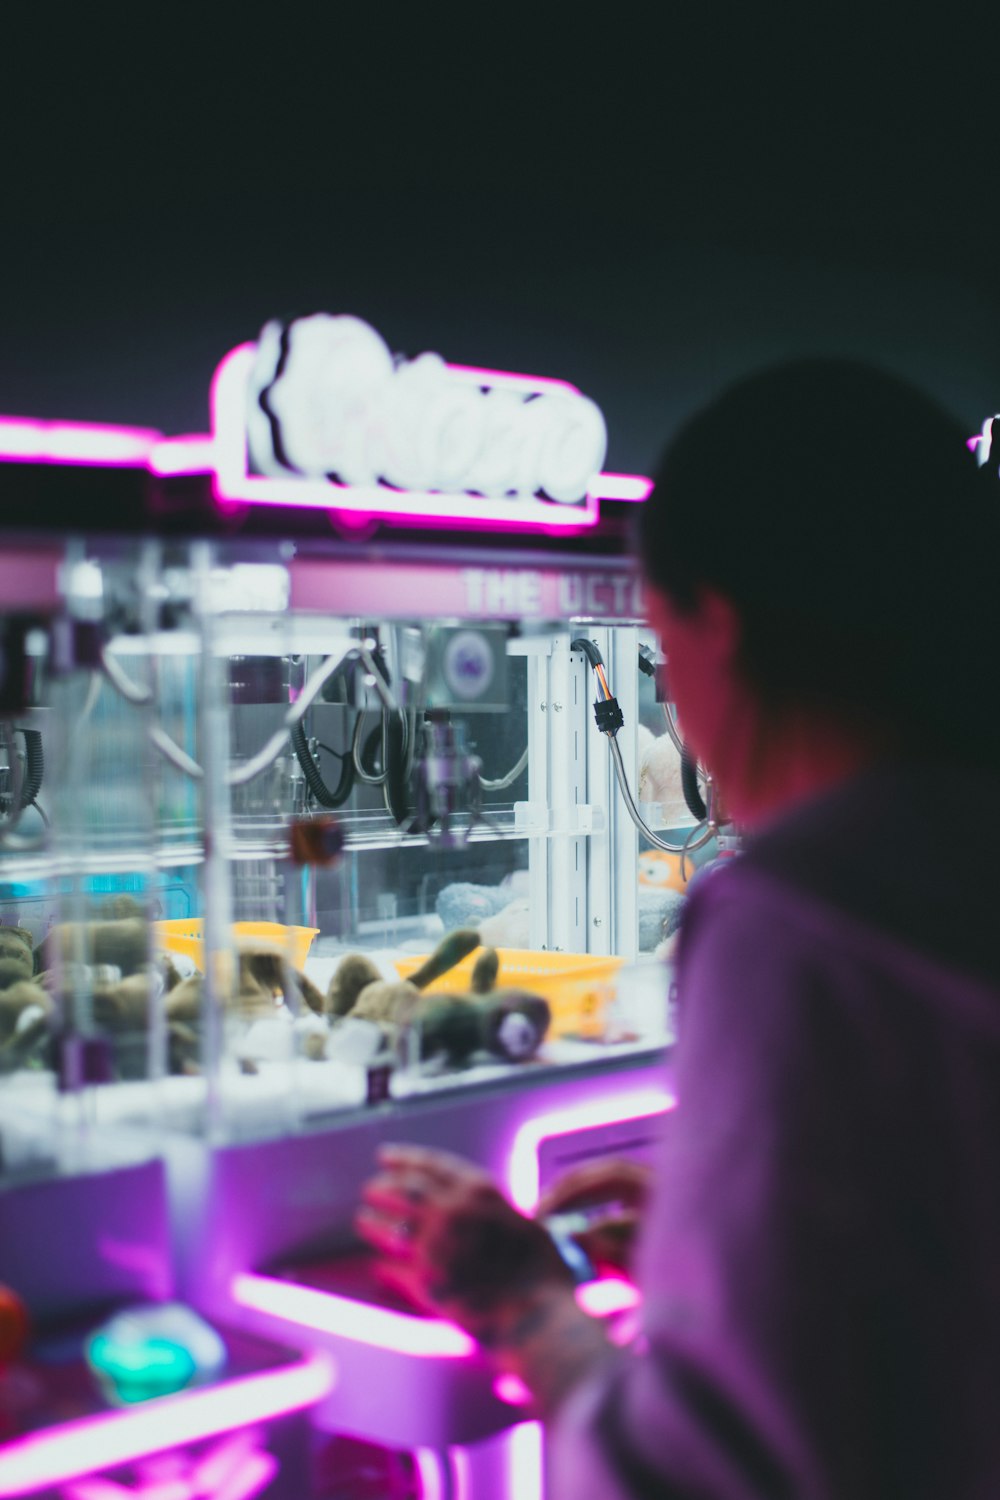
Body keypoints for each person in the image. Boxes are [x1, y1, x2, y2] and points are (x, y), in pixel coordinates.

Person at [357, 361, 1000, 1498]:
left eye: (659, 645)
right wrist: (727, 1240)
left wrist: (521, 1308)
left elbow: (711, 1467)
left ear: (720, 623)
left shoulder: (802, 917)